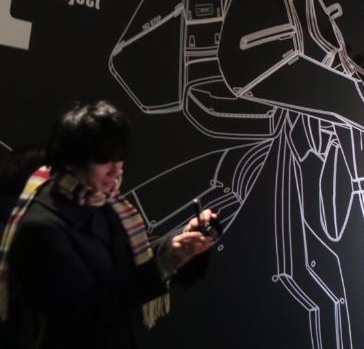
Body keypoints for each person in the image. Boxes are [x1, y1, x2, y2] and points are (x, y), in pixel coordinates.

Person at [0, 101, 217, 348]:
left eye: (120, 157)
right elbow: (83, 311)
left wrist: (182, 240)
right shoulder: (41, 227)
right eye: (104, 160)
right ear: (71, 160)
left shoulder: (102, 199)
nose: (116, 170)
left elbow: (130, 261)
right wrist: (165, 263)